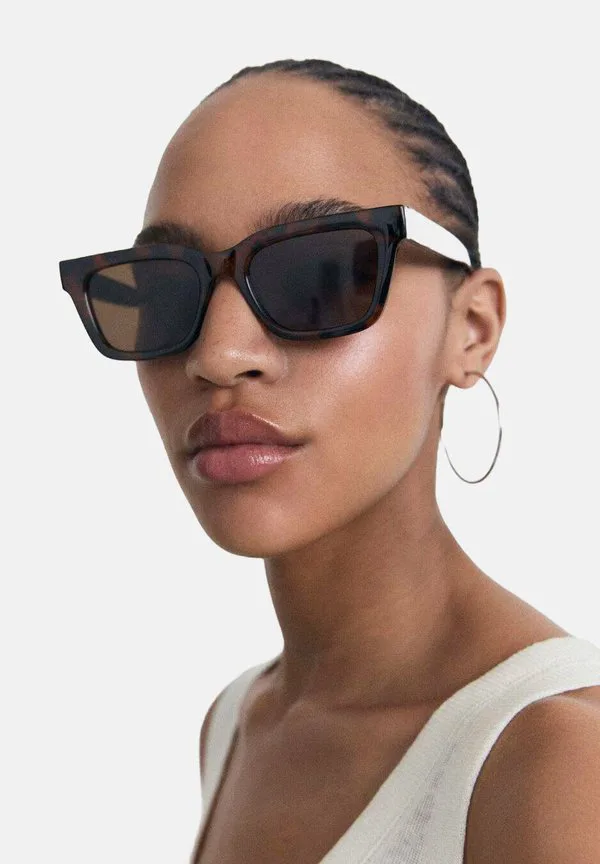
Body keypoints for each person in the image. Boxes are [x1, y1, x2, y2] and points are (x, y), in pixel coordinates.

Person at [59, 59, 600, 864]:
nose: (219, 354)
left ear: (472, 329)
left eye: (318, 275)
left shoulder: (560, 759)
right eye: (166, 290)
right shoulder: (235, 723)